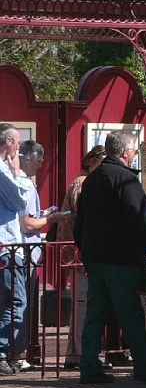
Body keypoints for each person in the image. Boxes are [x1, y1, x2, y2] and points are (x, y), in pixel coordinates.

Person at [73, 130, 146, 384]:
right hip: (121, 258)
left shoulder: (92, 179)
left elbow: (79, 222)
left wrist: (84, 250)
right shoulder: (125, 179)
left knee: (96, 312)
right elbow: (141, 216)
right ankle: (144, 365)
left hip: (95, 258)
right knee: (130, 312)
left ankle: (90, 366)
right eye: (134, 150)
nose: (135, 154)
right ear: (126, 152)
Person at [16, 140, 67, 371]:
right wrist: (49, 220)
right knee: (21, 304)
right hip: (24, 254)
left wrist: (44, 214)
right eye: (39, 160)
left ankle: (18, 353)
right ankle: (17, 354)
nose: (41, 164)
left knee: (22, 304)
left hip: (28, 253)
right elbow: (27, 224)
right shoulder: (24, 185)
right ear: (27, 159)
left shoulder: (24, 183)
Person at [57, 145, 106, 369]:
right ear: (91, 161)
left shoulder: (84, 181)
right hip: (79, 253)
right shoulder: (82, 183)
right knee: (83, 303)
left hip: (80, 252)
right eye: (100, 162)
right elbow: (84, 217)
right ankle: (81, 353)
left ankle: (75, 354)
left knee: (83, 303)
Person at [0, 123, 30, 376]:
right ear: (8, 142)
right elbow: (21, 202)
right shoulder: (3, 170)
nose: (19, 147)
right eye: (17, 142)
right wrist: (18, 173)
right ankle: (1, 353)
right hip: (7, 247)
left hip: (6, 245)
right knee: (16, 300)